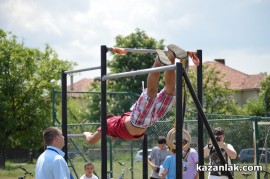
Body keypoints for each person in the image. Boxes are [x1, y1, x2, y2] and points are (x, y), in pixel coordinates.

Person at [83, 44, 192, 144]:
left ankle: (158, 61)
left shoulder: (106, 124)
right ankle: (171, 55)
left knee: (152, 93)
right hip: (149, 119)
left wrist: (86, 134)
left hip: (139, 121)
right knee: (171, 91)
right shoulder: (115, 124)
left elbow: (91, 141)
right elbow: (119, 129)